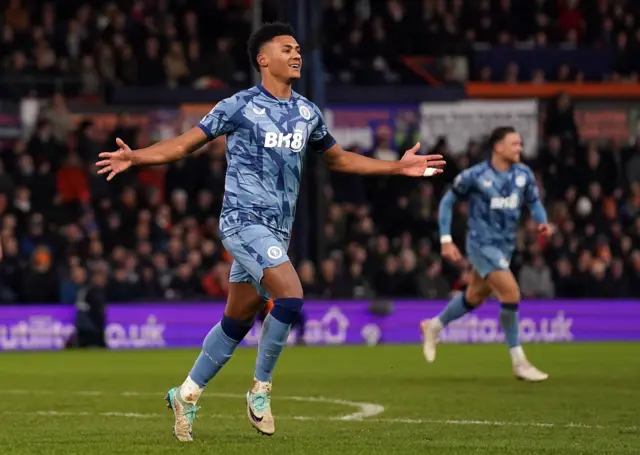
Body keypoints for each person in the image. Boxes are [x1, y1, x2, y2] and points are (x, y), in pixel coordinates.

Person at [96, 22, 445, 442]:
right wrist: (138, 157)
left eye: (297, 48)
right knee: (292, 294)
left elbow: (338, 159)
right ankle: (260, 390)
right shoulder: (238, 106)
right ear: (263, 59)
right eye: (286, 49)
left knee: (238, 319)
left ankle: (186, 393)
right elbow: (184, 144)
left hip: (277, 231)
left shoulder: (308, 113)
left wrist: (397, 167)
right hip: (242, 222)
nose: (296, 54)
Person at [421, 126, 553, 382]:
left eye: (520, 144)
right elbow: (447, 202)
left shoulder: (523, 175)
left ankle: (433, 326)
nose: (520, 149)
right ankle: (519, 362)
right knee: (511, 292)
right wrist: (446, 240)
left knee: (475, 296)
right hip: (481, 245)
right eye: (514, 144)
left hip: (505, 246)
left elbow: (534, 202)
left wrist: (542, 221)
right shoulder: (475, 176)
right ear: (498, 147)